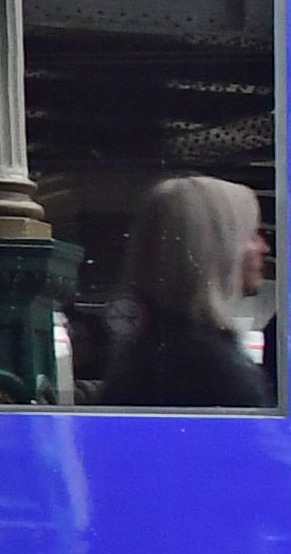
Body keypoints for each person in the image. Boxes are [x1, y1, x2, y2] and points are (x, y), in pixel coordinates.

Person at [104, 173, 274, 411]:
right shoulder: (219, 374)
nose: (264, 247)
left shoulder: (145, 355)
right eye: (251, 235)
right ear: (220, 248)